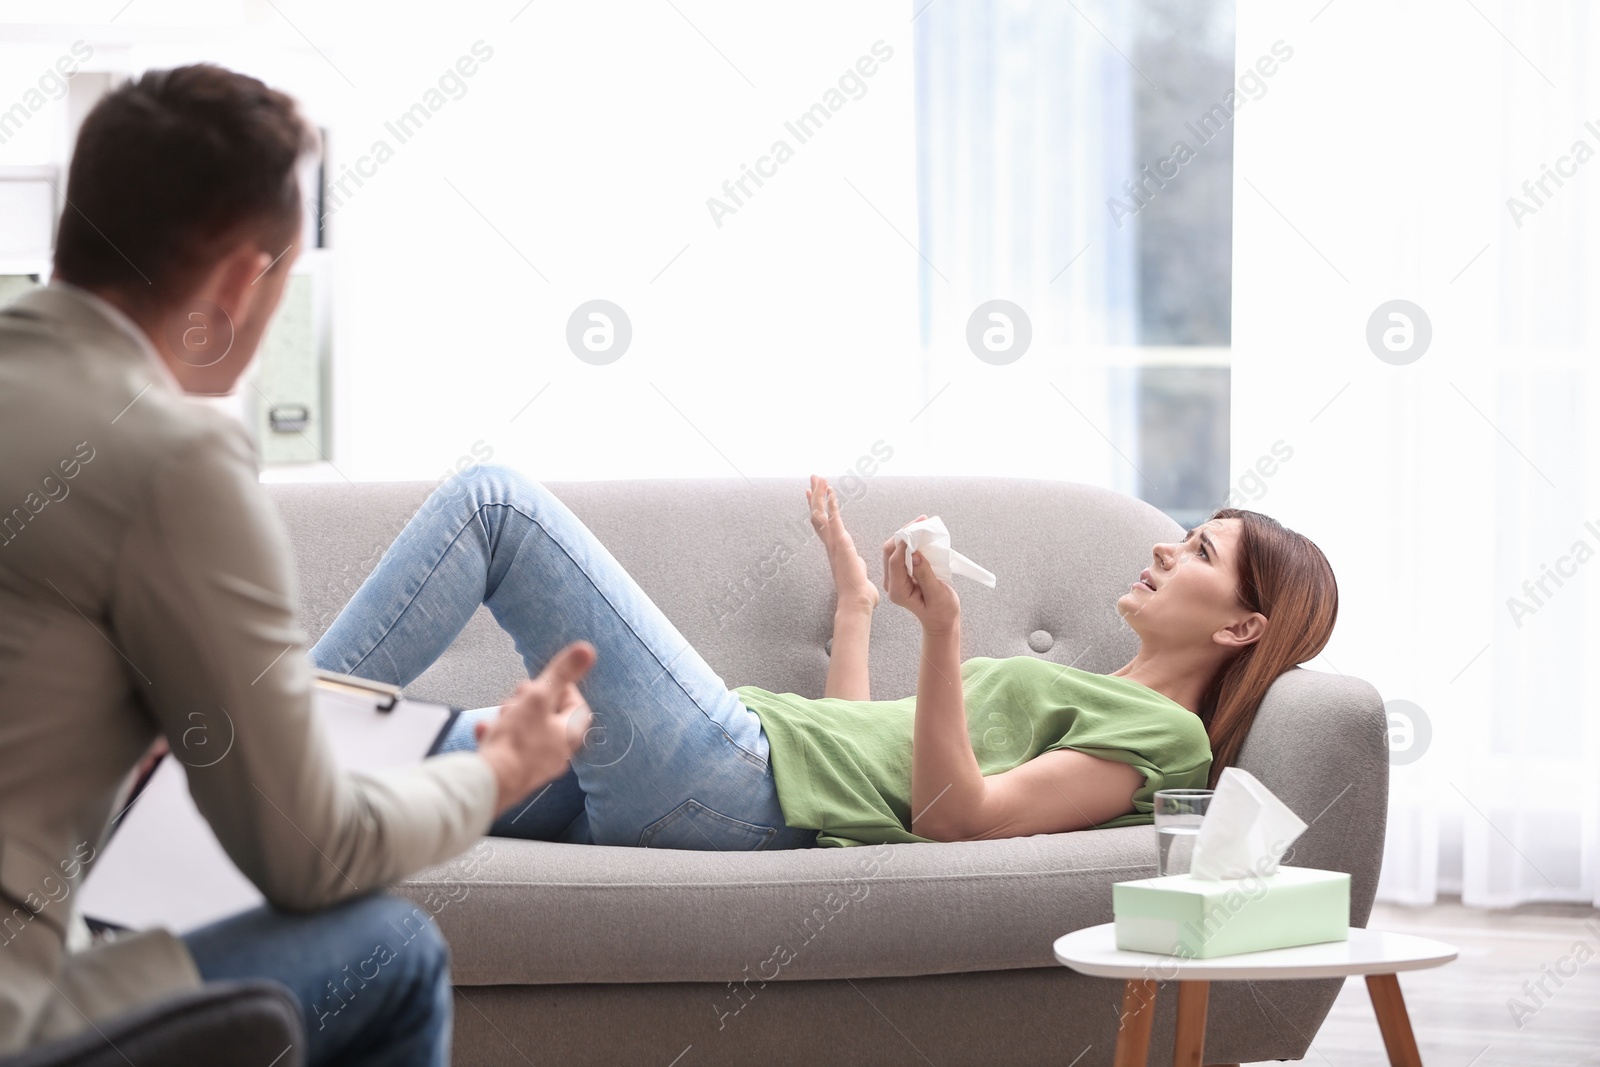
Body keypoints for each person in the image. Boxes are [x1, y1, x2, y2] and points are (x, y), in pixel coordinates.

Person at [0, 65, 592, 1064]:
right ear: (241, 281)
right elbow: (310, 852)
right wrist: (500, 772)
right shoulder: (169, 455)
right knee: (388, 947)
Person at [311, 467, 1338, 851]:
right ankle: (224, 777)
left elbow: (954, 814)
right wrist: (856, 604)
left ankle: (249, 736)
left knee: (495, 505)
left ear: (1242, 627)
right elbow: (864, 752)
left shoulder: (1163, 738)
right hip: (754, 765)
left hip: (737, 776)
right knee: (400, 751)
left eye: (1200, 549)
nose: (1167, 545)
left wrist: (941, 634)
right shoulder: (1105, 690)